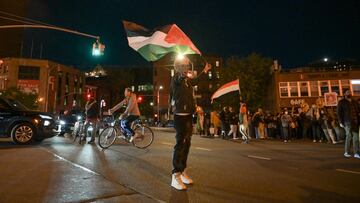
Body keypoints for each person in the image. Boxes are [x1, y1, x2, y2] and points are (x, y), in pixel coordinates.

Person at [169, 56, 211, 190]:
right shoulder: (176, 78)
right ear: (179, 66)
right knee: (180, 143)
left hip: (188, 115)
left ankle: (182, 171)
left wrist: (204, 70)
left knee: (187, 143)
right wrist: (182, 73)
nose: (187, 67)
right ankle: (175, 174)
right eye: (185, 65)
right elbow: (179, 78)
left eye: (187, 65)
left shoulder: (187, 80)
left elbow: (196, 81)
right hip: (179, 116)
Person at [337, 89, 360, 158]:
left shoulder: (354, 101)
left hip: (356, 122)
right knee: (349, 136)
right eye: (348, 92)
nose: (349, 93)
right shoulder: (341, 102)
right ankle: (346, 152)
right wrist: (340, 122)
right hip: (347, 122)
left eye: (350, 92)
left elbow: (358, 110)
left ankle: (356, 153)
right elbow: (339, 113)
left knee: (356, 138)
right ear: (344, 94)